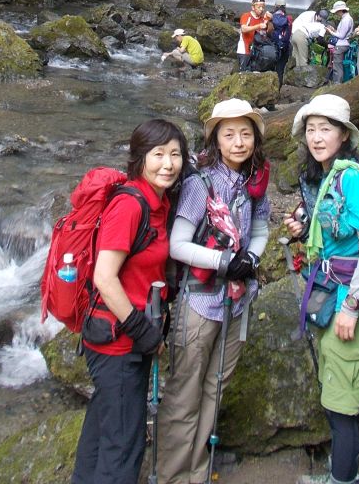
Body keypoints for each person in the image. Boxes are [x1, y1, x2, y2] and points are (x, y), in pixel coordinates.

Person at [157, 98, 271, 484]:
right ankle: (173, 475)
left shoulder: (255, 182)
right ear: (216, 141)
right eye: (229, 134)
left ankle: (198, 472)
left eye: (245, 133)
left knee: (214, 391)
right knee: (185, 394)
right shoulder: (198, 183)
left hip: (237, 305)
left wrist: (251, 259)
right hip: (201, 302)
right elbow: (178, 244)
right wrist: (224, 262)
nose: (238, 142)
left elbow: (259, 230)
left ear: (255, 139)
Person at [71, 119, 189, 484]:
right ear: (140, 159)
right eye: (158, 154)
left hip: (127, 338)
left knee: (105, 423)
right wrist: (141, 330)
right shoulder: (130, 206)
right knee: (125, 443)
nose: (168, 163)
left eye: (175, 154)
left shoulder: (159, 201)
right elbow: (104, 277)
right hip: (118, 342)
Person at [282, 95, 359, 484]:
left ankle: (344, 479)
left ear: (344, 135)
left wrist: (352, 307)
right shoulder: (326, 178)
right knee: (334, 396)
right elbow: (331, 232)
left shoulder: (352, 179)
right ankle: (341, 472)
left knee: (342, 407)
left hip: (356, 300)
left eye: (325, 128)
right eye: (310, 129)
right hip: (336, 292)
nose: (316, 137)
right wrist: (303, 227)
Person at [237, 0, 271, 71]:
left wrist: (270, 20)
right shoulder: (246, 16)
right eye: (259, 7)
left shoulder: (263, 19)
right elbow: (244, 29)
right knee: (243, 71)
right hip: (244, 49)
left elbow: (268, 33)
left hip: (257, 51)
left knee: (254, 71)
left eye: (263, 7)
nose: (261, 9)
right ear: (253, 7)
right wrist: (258, 26)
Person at [325, 1, 354, 84]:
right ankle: (337, 82)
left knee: (337, 66)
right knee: (338, 65)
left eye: (336, 12)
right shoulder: (346, 19)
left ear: (341, 10)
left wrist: (330, 31)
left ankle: (337, 84)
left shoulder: (346, 20)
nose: (336, 13)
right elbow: (341, 32)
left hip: (341, 45)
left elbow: (341, 36)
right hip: (343, 44)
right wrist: (334, 30)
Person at [270, 0, 293, 85]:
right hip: (285, 47)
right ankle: (279, 86)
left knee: (270, 67)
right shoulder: (288, 18)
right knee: (280, 69)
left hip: (273, 46)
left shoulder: (271, 17)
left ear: (275, 6)